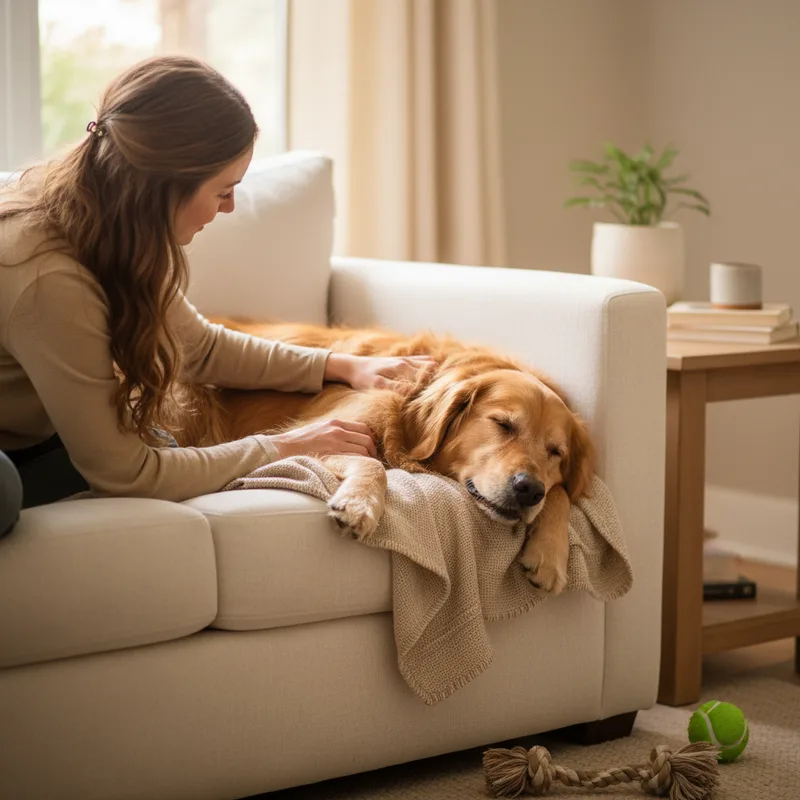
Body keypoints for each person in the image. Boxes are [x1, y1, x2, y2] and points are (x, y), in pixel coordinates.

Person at [0, 55, 434, 510]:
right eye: (223, 191)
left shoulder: (110, 229)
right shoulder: (50, 279)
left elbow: (200, 348)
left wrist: (340, 365)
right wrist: (286, 446)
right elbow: (126, 475)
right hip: (12, 455)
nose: (228, 208)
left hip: (35, 438)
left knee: (165, 446)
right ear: (164, 186)